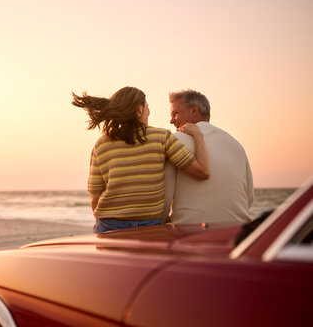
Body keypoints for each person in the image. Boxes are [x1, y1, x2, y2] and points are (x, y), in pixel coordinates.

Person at [72, 86, 210, 233]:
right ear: (139, 110)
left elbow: (95, 196)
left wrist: (106, 220)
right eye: (147, 107)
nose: (149, 112)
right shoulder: (162, 137)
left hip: (109, 226)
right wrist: (197, 134)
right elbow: (203, 172)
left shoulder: (101, 145)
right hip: (150, 227)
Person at [163, 90, 254, 224]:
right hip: (238, 232)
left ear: (194, 110)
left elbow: (165, 196)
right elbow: (249, 198)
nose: (171, 121)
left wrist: (158, 222)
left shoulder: (176, 141)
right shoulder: (236, 145)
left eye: (175, 114)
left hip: (190, 232)